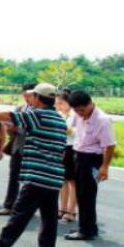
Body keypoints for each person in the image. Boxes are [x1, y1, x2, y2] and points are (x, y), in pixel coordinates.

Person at [0, 83, 67, 247]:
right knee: (48, 217)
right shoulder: (59, 119)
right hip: (53, 175)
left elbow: (10, 116)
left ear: (38, 98)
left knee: (20, 212)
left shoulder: (38, 115)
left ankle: (0, 245)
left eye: (33, 96)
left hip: (38, 174)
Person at [66, 90, 116, 241]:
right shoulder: (78, 115)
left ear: (90, 104)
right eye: (75, 110)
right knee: (81, 194)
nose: (79, 113)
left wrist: (104, 167)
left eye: (81, 110)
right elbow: (71, 128)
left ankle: (86, 230)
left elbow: (110, 145)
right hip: (79, 156)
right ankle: (87, 226)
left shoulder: (102, 120)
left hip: (92, 159)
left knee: (87, 194)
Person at [0, 83, 36, 215]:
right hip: (17, 147)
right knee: (13, 177)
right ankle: (9, 205)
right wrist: (10, 129)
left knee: (30, 180)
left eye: (29, 96)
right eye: (24, 95)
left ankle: (25, 208)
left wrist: (18, 129)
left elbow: (34, 130)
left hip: (32, 149)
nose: (26, 98)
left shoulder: (39, 111)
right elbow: (11, 125)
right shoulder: (19, 108)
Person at [56, 91, 78, 222]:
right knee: (62, 180)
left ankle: (71, 210)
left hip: (72, 148)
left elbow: (75, 132)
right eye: (57, 103)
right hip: (61, 147)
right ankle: (62, 208)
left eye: (61, 103)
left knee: (72, 181)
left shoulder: (75, 115)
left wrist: (63, 128)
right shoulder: (59, 115)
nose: (59, 106)